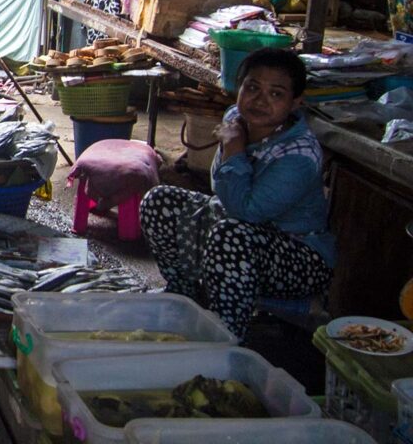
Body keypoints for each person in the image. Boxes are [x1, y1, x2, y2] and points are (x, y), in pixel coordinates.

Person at [140, 48, 335, 340]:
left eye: (276, 94)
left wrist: (233, 150)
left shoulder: (300, 155)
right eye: (252, 87)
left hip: (298, 256)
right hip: (236, 226)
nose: (259, 100)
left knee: (231, 235)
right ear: (239, 88)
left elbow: (247, 211)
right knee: (159, 202)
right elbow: (221, 189)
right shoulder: (235, 119)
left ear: (296, 103)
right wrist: (234, 148)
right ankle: (184, 296)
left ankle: (226, 336)